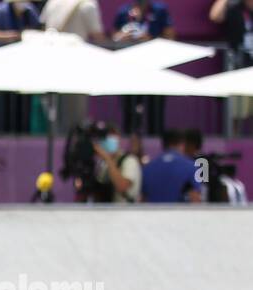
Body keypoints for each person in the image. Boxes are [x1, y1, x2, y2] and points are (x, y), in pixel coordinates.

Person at [40, 0, 105, 134]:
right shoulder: (88, 6)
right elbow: (98, 36)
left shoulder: (52, 3)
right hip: (77, 68)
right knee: (75, 115)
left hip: (52, 65)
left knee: (55, 113)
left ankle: (58, 140)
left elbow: (44, 28)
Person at [115, 1, 175, 134]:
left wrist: (150, 39)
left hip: (155, 69)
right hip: (130, 70)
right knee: (130, 111)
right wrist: (123, 37)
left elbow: (170, 37)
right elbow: (114, 38)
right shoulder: (123, 11)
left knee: (155, 111)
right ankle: (130, 140)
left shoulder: (159, 10)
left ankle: (156, 140)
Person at [0, 1, 41, 134]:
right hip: (1, 71)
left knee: (22, 112)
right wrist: (15, 36)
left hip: (22, 71)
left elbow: (37, 31)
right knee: (1, 112)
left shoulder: (30, 11)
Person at [140, 129, 202, 202]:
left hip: (154, 212)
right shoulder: (190, 166)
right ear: (182, 144)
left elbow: (143, 199)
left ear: (163, 144)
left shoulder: (147, 167)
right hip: (179, 212)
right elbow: (195, 198)